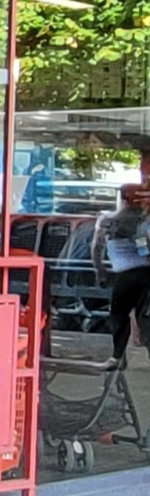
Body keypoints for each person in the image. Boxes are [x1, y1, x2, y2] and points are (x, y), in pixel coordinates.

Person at [93, 148, 150, 362]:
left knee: (118, 314)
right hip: (145, 272)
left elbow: (96, 248)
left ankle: (117, 356)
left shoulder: (107, 219)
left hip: (123, 274)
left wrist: (100, 270)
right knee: (145, 317)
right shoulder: (144, 221)